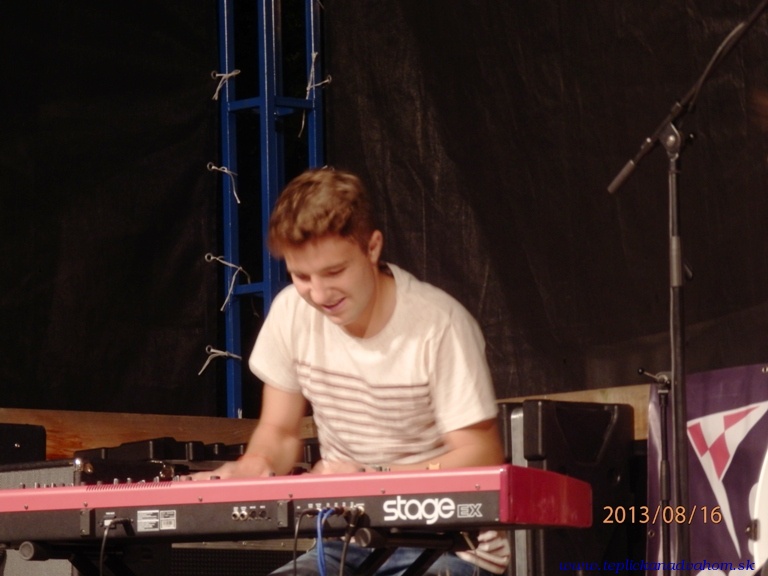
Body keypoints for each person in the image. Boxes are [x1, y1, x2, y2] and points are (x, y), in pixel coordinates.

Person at [196, 167, 510, 576]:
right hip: (345, 542)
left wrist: (372, 478)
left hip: (452, 545)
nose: (319, 294)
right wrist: (255, 463)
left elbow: (481, 456)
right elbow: (280, 431)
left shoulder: (439, 323)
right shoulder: (291, 312)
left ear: (372, 247)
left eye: (334, 272)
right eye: (301, 275)